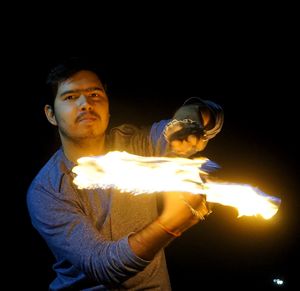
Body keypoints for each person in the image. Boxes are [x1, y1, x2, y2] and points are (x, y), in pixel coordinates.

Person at [27, 57, 224, 290]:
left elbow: (206, 114)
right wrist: (170, 223)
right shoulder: (47, 190)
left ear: (108, 108)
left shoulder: (137, 145)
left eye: (95, 95)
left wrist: (189, 121)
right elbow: (103, 266)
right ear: (50, 114)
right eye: (70, 97)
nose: (86, 104)